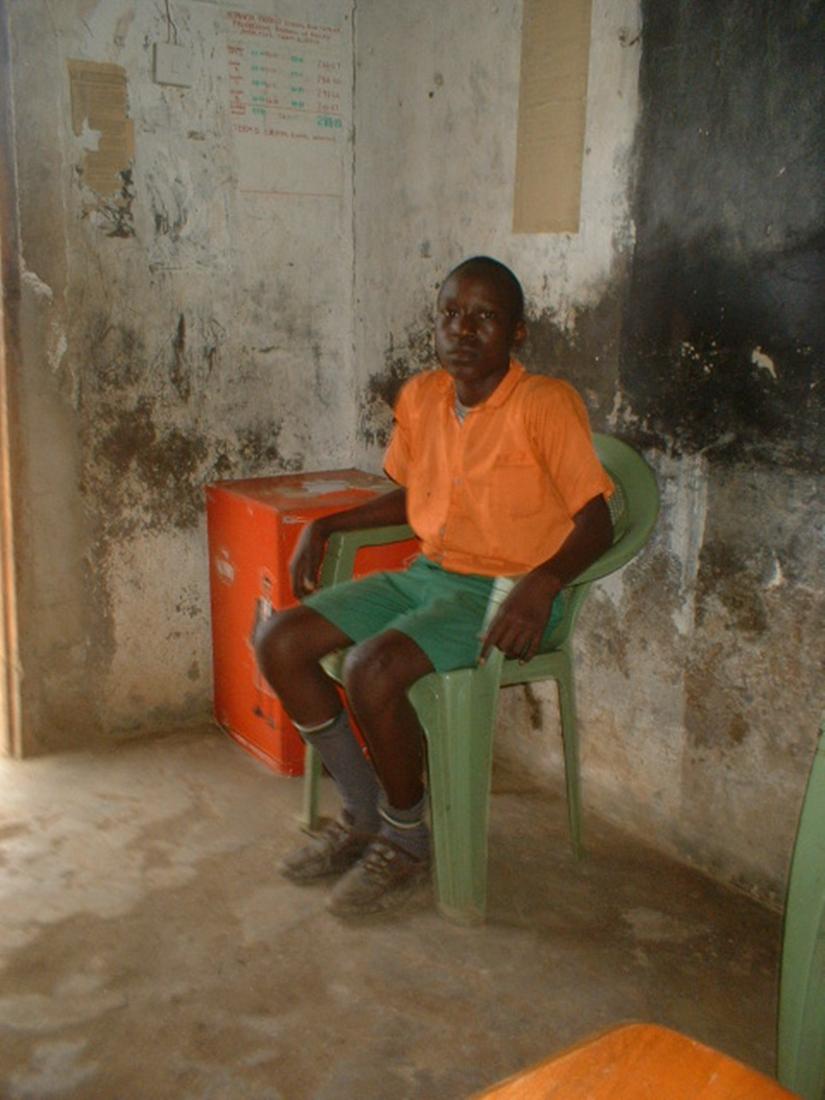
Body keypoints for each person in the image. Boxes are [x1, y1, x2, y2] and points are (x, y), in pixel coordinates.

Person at [255, 256, 614, 918]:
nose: (463, 330)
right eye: (451, 314)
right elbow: (412, 496)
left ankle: (405, 838)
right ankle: (364, 813)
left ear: (517, 332)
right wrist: (326, 524)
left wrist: (544, 581)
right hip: (430, 576)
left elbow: (597, 521)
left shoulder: (544, 404)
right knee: (279, 640)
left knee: (371, 668)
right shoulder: (422, 397)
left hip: (508, 593)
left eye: (485, 317)